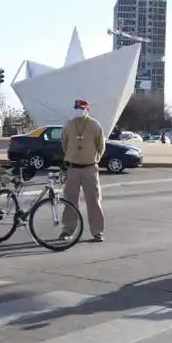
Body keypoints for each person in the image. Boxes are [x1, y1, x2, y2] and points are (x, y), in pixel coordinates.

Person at [61, 99, 106, 242]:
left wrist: (95, 158)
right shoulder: (69, 124)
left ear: (87, 110)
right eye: (77, 108)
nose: (79, 110)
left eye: (82, 108)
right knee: (70, 201)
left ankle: (97, 231)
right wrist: (71, 156)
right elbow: (64, 144)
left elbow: (101, 146)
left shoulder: (94, 125)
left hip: (90, 168)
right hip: (73, 168)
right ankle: (68, 230)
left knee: (93, 201)